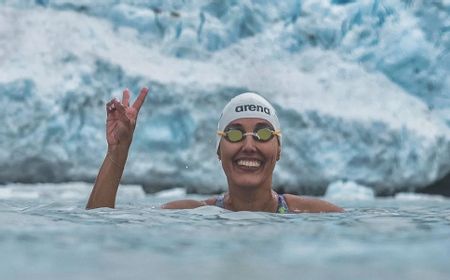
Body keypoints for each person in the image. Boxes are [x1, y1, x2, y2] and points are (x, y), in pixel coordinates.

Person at [86, 88, 343, 213]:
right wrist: (118, 151)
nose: (249, 146)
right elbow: (100, 228)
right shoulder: (188, 214)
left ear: (278, 149)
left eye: (264, 133)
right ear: (219, 150)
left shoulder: (317, 214)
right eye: (234, 133)